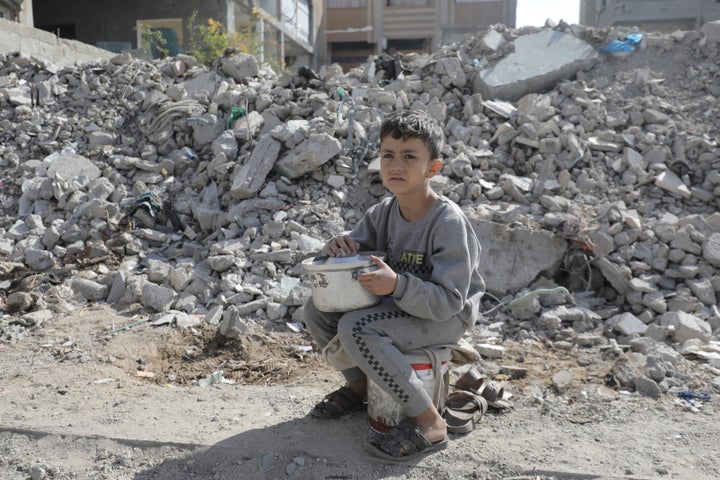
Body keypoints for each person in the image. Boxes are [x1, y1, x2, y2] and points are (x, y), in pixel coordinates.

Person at [303, 108, 485, 461]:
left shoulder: (447, 222)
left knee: (357, 328)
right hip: (400, 306)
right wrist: (339, 248)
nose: (396, 165)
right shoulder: (383, 213)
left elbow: (450, 300)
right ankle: (360, 390)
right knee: (316, 310)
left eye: (409, 156)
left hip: (444, 316)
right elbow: (354, 252)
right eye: (388, 155)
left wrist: (397, 286)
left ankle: (430, 423)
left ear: (434, 167)